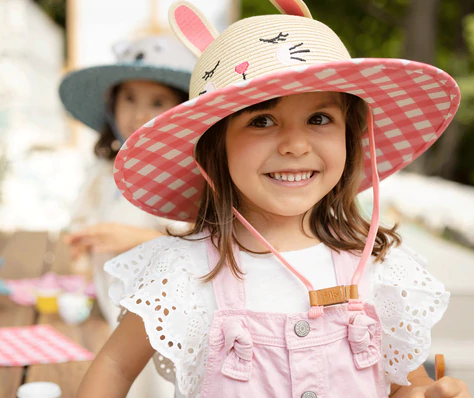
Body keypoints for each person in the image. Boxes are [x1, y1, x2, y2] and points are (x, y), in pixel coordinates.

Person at [78, 1, 470, 397]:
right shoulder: (184, 270)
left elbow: (404, 381)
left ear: (351, 139)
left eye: (319, 119)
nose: (296, 145)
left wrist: (426, 394)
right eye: (261, 121)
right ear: (217, 147)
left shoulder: (378, 267)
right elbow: (113, 365)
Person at [59, 35, 195, 398]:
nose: (138, 114)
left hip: (164, 325)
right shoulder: (103, 172)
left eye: (157, 102)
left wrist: (135, 239)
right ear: (111, 105)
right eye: (129, 99)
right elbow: (81, 219)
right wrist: (81, 243)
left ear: (181, 110)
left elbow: (205, 250)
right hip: (109, 310)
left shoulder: (188, 179)